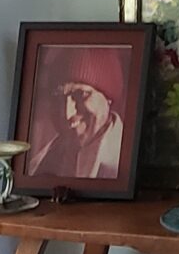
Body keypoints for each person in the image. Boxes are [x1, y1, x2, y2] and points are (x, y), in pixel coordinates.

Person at [27, 48, 127, 186]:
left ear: (108, 98)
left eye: (81, 94)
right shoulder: (40, 163)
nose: (68, 113)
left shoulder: (123, 164)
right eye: (58, 97)